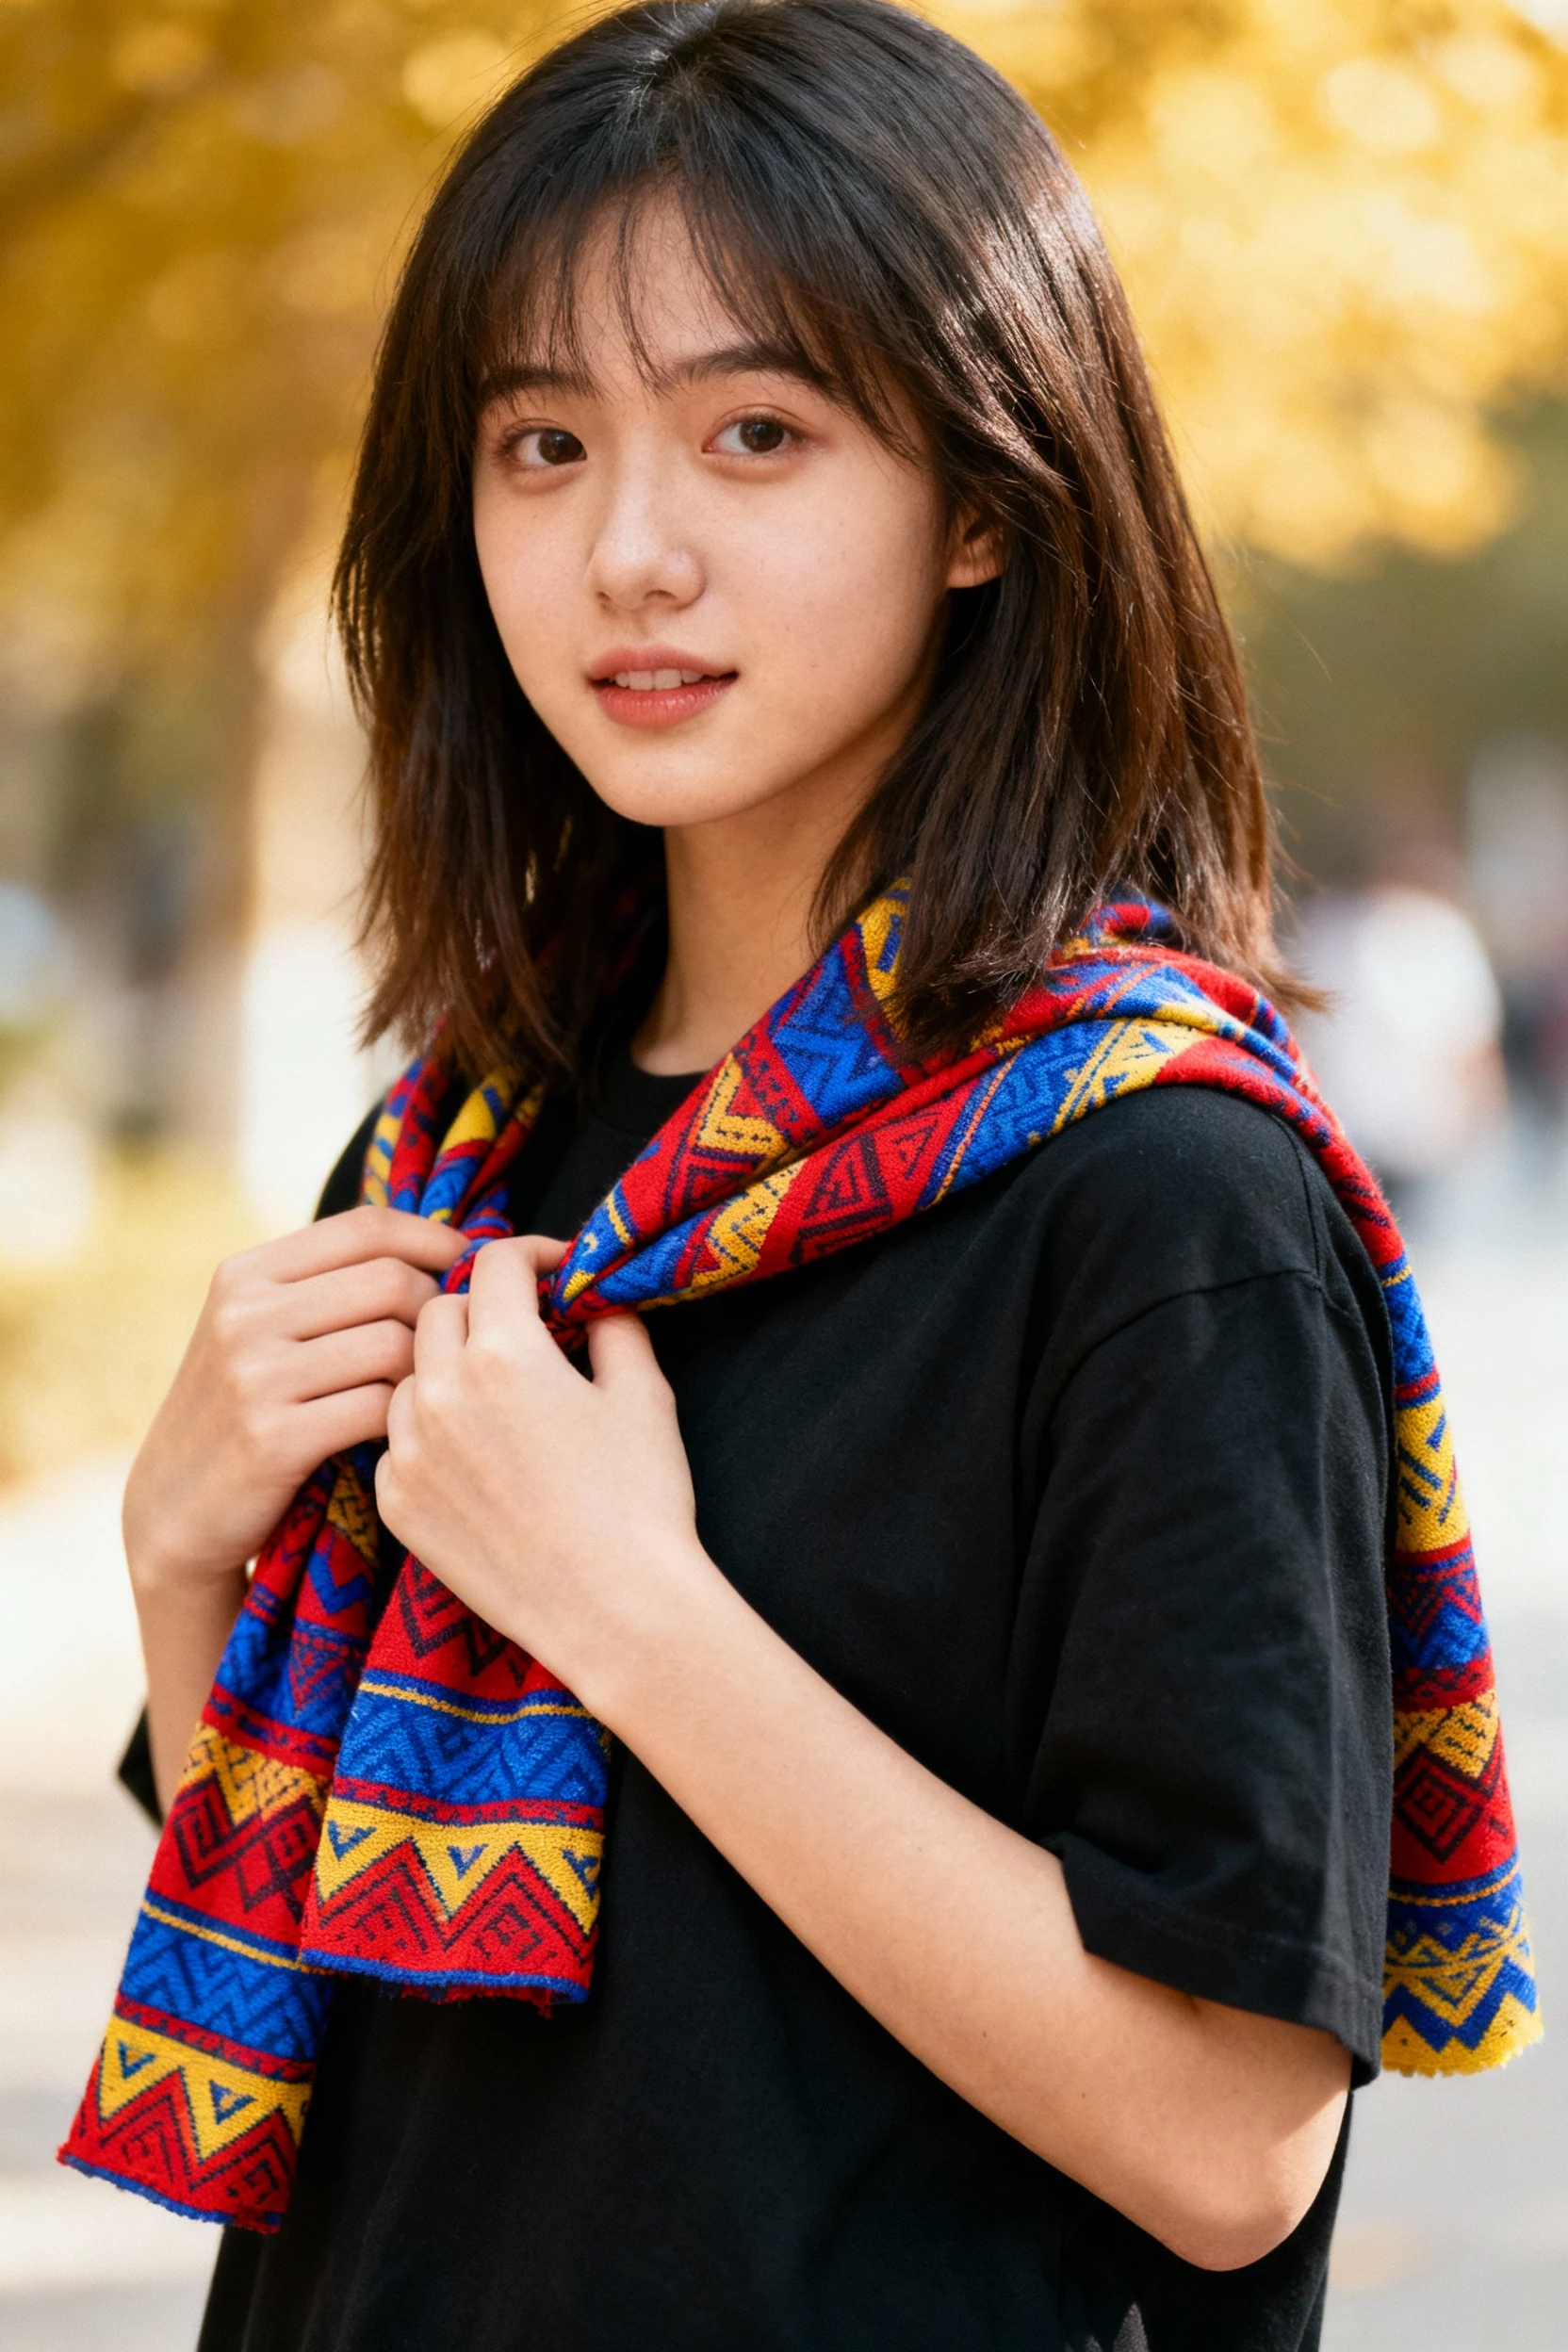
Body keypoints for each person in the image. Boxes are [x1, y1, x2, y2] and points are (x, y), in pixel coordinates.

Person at [61, 4, 1537, 2346]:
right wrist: (183, 1546)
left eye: (756, 433)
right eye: (540, 443)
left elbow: (1228, 2143)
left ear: (982, 494)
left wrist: (635, 1613)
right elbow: (362, 1961)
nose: (627, 550)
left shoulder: (1153, 1198)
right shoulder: (469, 1137)